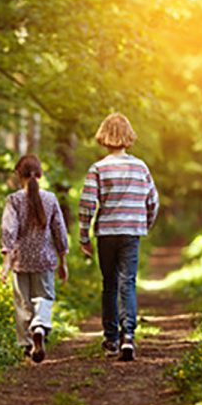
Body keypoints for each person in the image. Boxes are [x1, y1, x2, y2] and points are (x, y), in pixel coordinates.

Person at [78, 113, 159, 361]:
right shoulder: (141, 167)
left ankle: (111, 338)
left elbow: (87, 203)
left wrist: (83, 236)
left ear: (104, 137)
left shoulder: (98, 168)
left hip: (107, 234)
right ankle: (129, 337)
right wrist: (144, 224)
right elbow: (153, 201)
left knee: (110, 285)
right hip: (131, 233)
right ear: (128, 137)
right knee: (128, 283)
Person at [1, 154, 69, 363]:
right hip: (45, 259)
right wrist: (63, 260)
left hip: (21, 260)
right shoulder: (50, 199)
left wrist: (6, 263)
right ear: (40, 174)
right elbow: (60, 230)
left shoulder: (13, 200)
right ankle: (39, 325)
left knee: (23, 303)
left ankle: (27, 345)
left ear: (17, 174)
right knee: (44, 298)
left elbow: (9, 231)